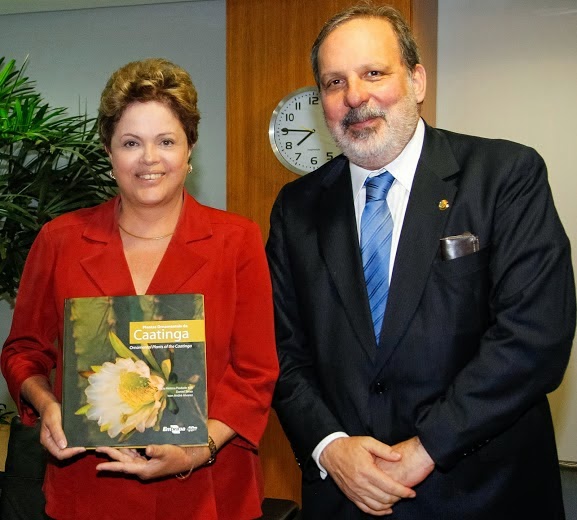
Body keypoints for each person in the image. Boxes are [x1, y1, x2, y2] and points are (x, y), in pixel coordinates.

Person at [266, 4, 576, 519]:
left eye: (373, 73)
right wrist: (328, 445)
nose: (355, 97)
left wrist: (427, 447)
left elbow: (535, 336)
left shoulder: (504, 176)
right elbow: (281, 348)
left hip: (482, 493)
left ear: (417, 79)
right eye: (334, 81)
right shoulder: (296, 208)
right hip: (345, 497)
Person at [1, 58, 279, 520]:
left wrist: (197, 448)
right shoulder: (60, 240)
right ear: (109, 152)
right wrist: (46, 403)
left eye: (166, 141)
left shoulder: (237, 240)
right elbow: (23, 351)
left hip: (208, 490)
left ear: (190, 150)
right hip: (88, 491)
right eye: (131, 143)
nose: (149, 159)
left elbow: (256, 372)